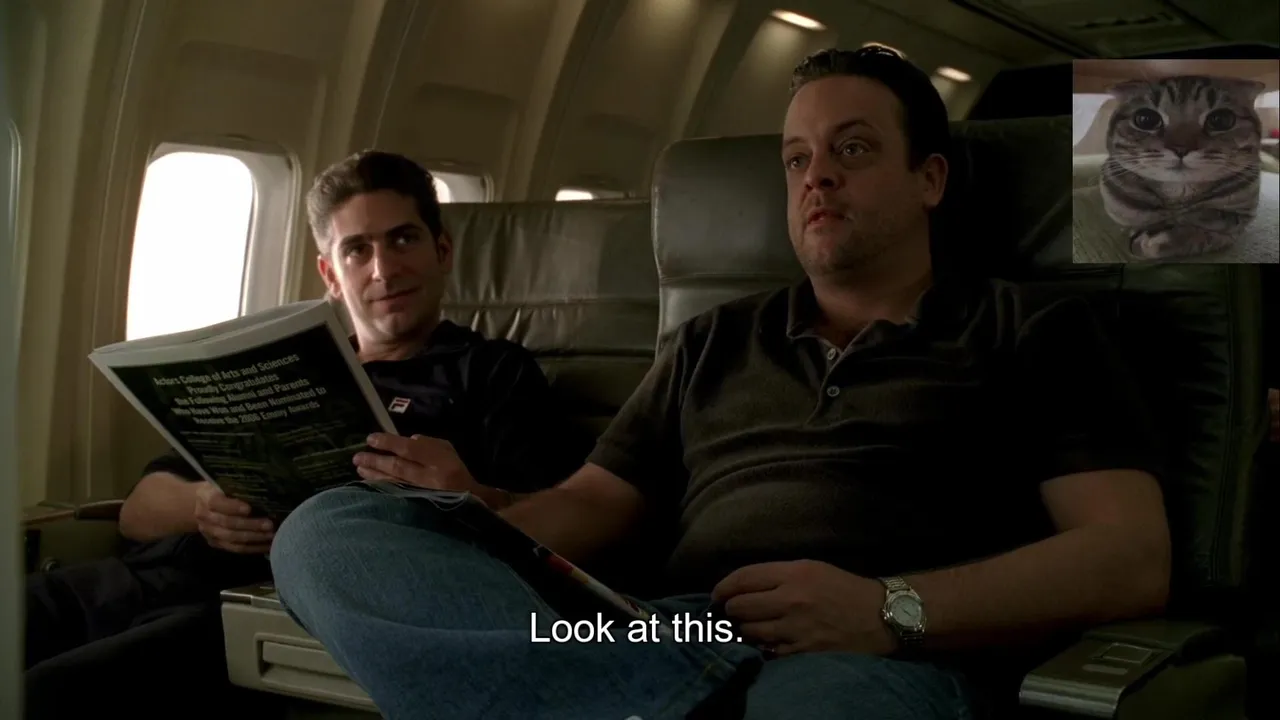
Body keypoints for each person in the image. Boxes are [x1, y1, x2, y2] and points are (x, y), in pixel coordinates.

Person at [270, 48, 1171, 720]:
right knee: (326, 532)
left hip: (883, 649)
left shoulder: (1030, 327)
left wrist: (889, 608)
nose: (817, 176)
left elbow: (1131, 557)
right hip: (675, 634)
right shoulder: (714, 340)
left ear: (929, 178)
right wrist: (475, 509)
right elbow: (589, 505)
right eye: (797, 159)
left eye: (853, 149)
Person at [23, 151, 584, 718]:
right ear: (331, 275)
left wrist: (472, 497)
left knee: (43, 695)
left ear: (442, 251)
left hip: (260, 608)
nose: (384, 270)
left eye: (403, 239)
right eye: (357, 250)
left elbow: (565, 532)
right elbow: (135, 513)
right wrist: (202, 506)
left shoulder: (491, 371)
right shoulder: (278, 369)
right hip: (142, 577)